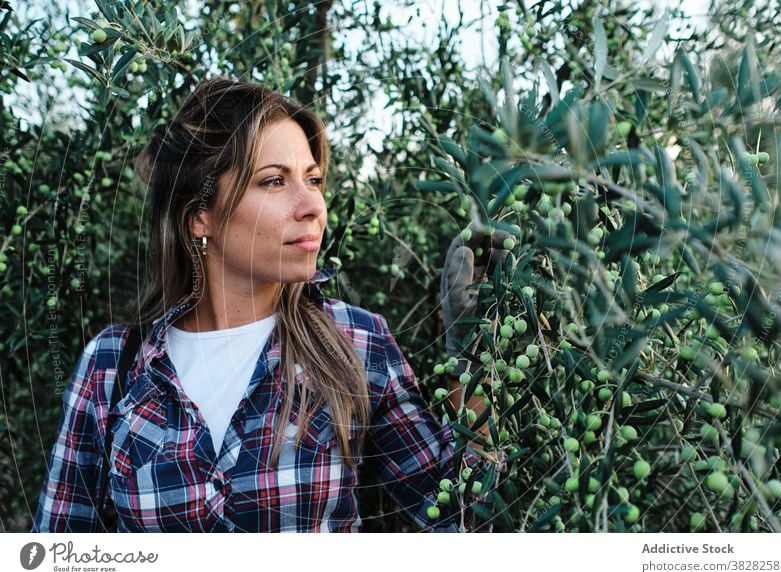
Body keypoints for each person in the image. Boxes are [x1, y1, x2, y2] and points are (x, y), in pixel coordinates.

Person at [31, 76, 509, 533]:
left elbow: (463, 517)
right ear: (200, 216)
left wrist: (474, 355)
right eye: (274, 182)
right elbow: (61, 549)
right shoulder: (115, 365)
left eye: (314, 179)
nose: (313, 206)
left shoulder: (357, 344)